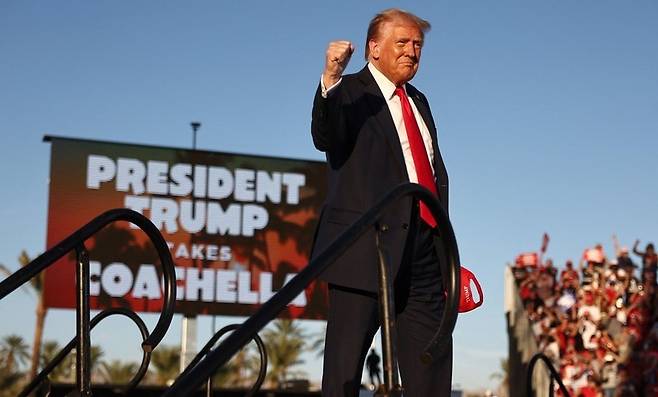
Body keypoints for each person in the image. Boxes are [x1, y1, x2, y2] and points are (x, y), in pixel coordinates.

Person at [310, 8, 452, 396]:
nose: (412, 51)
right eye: (402, 43)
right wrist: (331, 78)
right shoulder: (350, 92)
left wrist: (445, 254)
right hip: (365, 248)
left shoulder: (419, 100)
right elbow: (326, 135)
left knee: (431, 369)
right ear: (374, 48)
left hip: (424, 254)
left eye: (417, 44)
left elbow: (434, 173)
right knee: (344, 370)